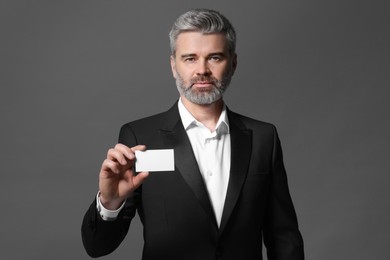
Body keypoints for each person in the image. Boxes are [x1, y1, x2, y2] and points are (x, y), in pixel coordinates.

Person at [81, 8, 304, 260]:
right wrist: (110, 203)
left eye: (215, 57)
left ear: (233, 63)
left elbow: (284, 238)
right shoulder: (139, 136)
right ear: (173, 65)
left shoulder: (264, 137)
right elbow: (97, 247)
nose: (202, 70)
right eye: (190, 58)